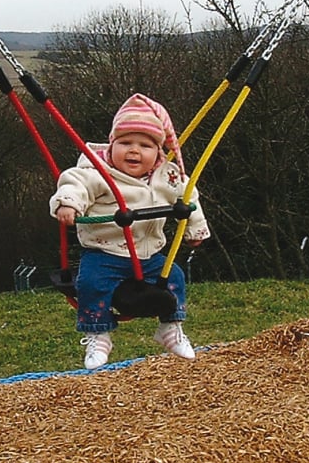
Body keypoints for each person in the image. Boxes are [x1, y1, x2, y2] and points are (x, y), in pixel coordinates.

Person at [50, 93, 210, 369]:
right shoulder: (98, 171)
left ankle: (170, 328)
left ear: (158, 153)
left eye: (145, 145)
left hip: (149, 254)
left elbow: (189, 197)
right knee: (90, 284)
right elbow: (74, 182)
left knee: (175, 278)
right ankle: (98, 333)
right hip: (104, 252)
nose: (134, 151)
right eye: (125, 143)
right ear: (112, 145)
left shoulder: (167, 176)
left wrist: (195, 230)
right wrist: (68, 203)